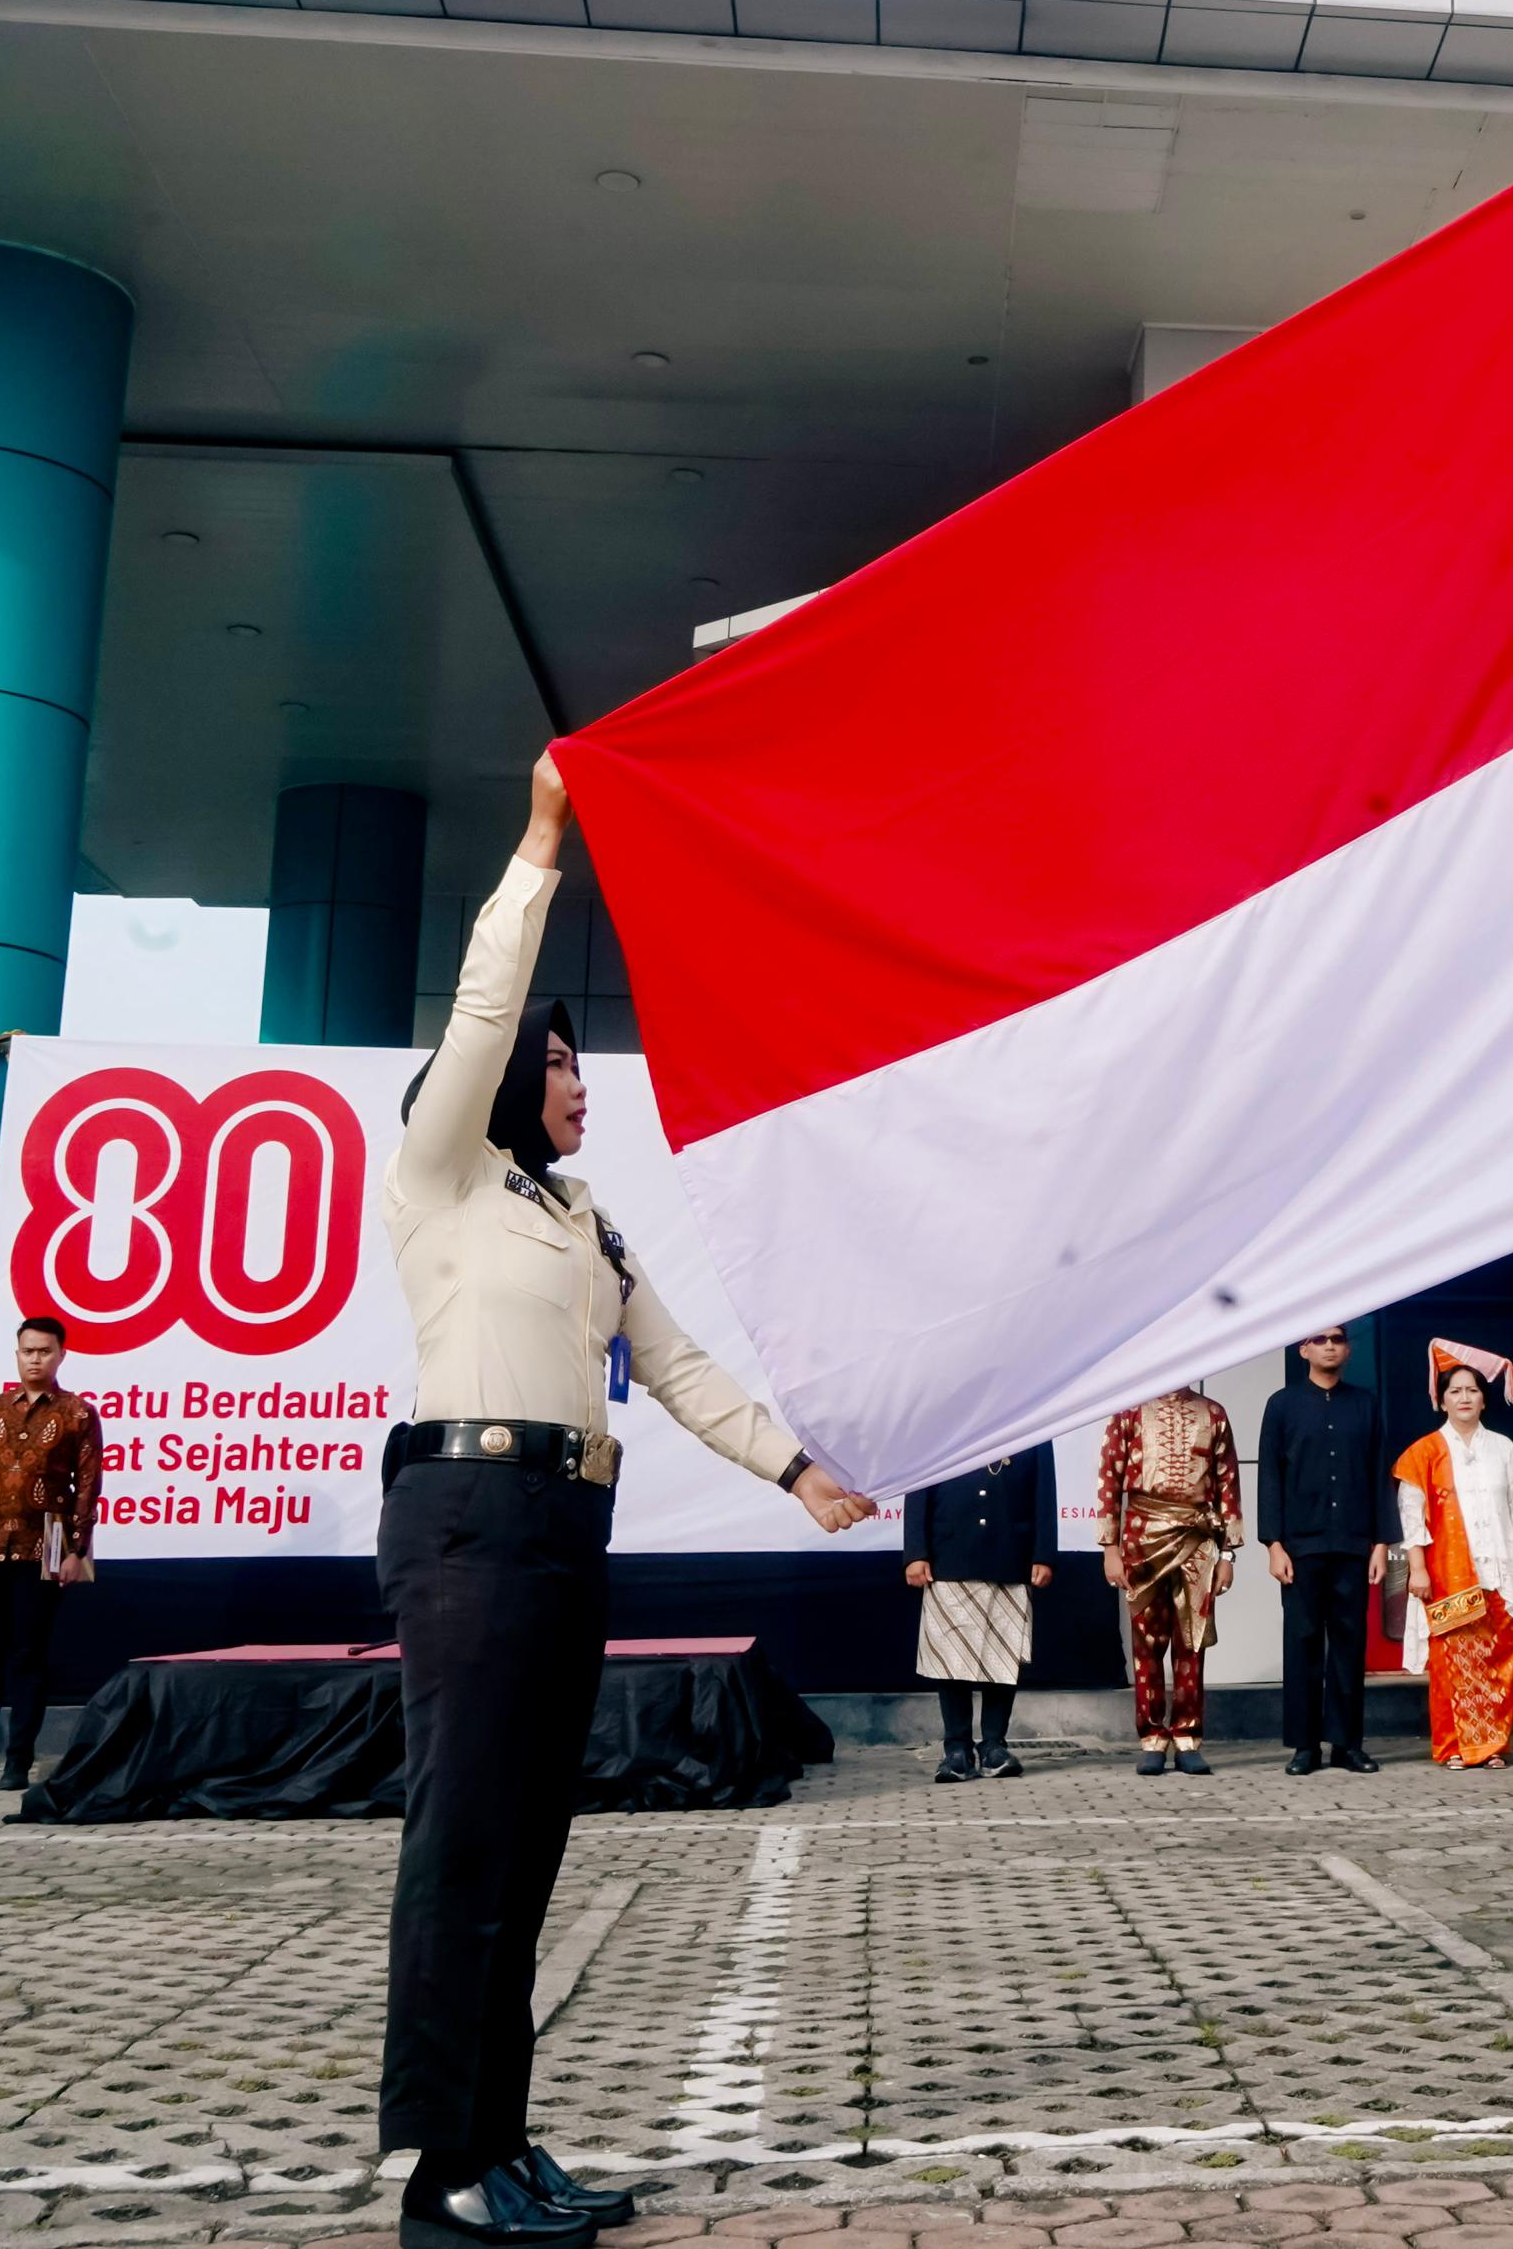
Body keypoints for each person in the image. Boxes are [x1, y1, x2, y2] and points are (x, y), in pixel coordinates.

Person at [377, 755, 875, 2249]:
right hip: (466, 1521)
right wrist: (540, 840)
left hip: (562, 1533)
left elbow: (676, 1366)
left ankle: (504, 2143)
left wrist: (798, 1470)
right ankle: (440, 2174)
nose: (584, 1083)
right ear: (514, 1080)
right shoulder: (442, 1174)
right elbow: (478, 1008)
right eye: (568, 1064)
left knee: (526, 1846)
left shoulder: (584, 1219)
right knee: (462, 1839)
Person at [0, 1314, 100, 1795]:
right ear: (16, 1353)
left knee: (28, 1658)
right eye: (28, 1350)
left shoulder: (76, 1413)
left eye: (45, 1351)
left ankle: (18, 1764)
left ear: (61, 1354)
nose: (36, 1358)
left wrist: (77, 1551)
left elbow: (87, 1489)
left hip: (42, 1553)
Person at [1256, 1320, 1394, 1775]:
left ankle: (1347, 1743)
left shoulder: (1366, 1405)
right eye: (1320, 1340)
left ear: (1348, 1349)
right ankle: (1304, 1746)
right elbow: (1270, 1478)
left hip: (1354, 1543)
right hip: (1300, 1545)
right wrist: (1273, 1543)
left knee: (1350, 1645)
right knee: (1302, 1642)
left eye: (1337, 1339)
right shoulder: (1282, 1405)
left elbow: (1378, 1476)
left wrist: (1380, 1542)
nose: (1330, 1346)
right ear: (1303, 1349)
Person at [1395, 1348, 1513, 1766]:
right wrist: (1417, 1569)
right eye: (1455, 1391)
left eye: (1472, 1390)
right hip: (1446, 1574)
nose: (1463, 1398)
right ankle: (1453, 1746)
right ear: (1441, 1400)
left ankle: (1493, 1745)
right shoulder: (1424, 1452)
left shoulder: (1503, 1448)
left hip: (1498, 1566)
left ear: (1483, 1398)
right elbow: (1412, 1516)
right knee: (1451, 1664)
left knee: (1498, 1657)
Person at [1099, 1381, 1240, 1776]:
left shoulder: (1213, 1413)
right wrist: (1109, 1548)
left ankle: (1187, 1737)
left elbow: (1228, 1486)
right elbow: (1109, 1480)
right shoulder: (1128, 1411)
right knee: (1147, 1642)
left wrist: (1228, 1554)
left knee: (1191, 1641)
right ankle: (1151, 1738)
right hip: (1142, 1538)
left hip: (1198, 1538)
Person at [902, 1447, 1055, 1783]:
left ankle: (994, 1746)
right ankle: (956, 1749)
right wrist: (915, 1552)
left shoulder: (1033, 1416)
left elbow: (1044, 1490)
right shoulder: (938, 1419)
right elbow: (917, 1484)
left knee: (1003, 1653)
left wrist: (1044, 1553)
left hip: (1010, 1551)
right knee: (950, 1657)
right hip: (948, 1553)